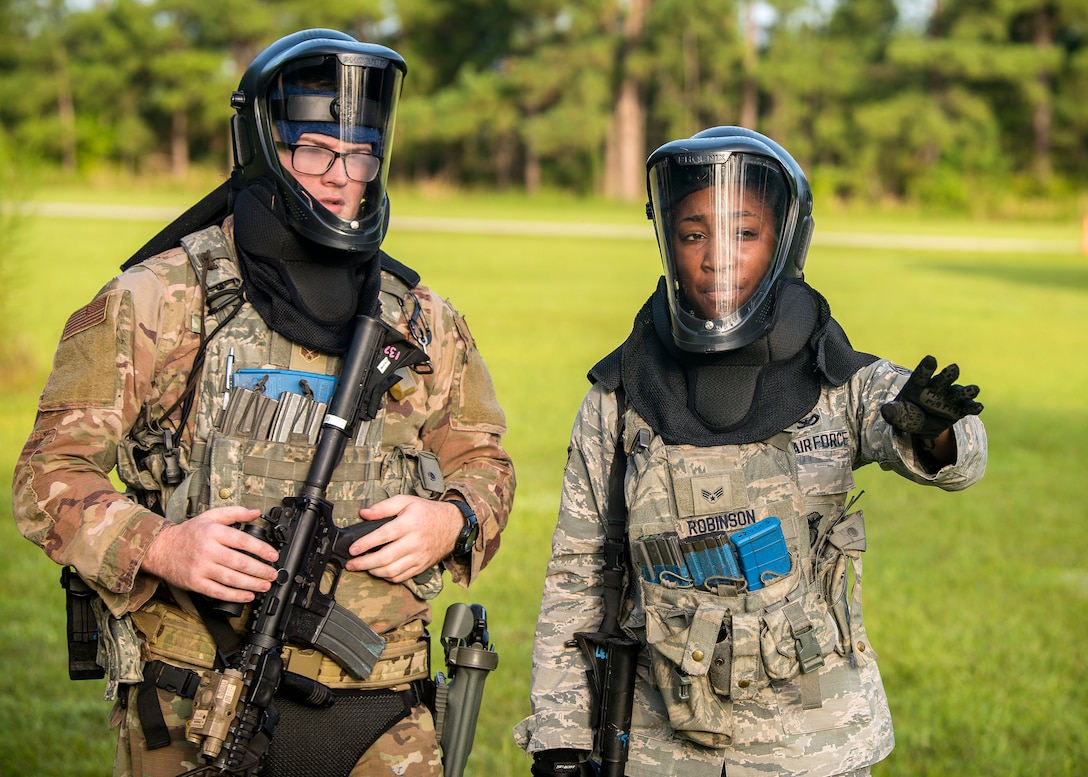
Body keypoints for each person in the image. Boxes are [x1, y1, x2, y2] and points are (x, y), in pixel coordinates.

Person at [12, 28, 514, 777]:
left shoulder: (421, 317)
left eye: (361, 151)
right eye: (315, 149)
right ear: (262, 145)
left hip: (385, 710)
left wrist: (454, 518)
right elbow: (46, 476)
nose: (343, 176)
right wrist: (159, 544)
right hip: (198, 703)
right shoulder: (156, 299)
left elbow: (485, 462)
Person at [514, 126, 986, 777]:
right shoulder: (619, 397)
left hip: (815, 749)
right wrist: (562, 736)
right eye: (692, 233)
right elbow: (576, 571)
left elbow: (955, 458)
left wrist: (939, 431)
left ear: (785, 242)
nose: (716, 257)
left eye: (744, 232)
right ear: (669, 243)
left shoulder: (839, 380)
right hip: (656, 745)